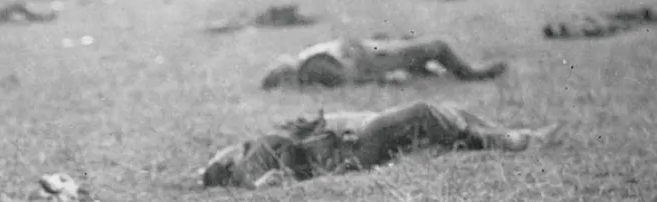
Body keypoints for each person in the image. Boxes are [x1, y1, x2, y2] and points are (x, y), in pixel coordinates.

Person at [201, 102, 563, 189]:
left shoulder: (252, 151)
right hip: (351, 150)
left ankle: (514, 133)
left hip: (351, 136)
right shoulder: (250, 163)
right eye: (221, 158)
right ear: (226, 166)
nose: (224, 150)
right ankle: (510, 142)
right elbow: (268, 182)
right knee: (422, 112)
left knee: (443, 110)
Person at [260, 34, 509, 90]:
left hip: (370, 53)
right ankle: (471, 74)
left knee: (421, 51)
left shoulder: (308, 60)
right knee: (437, 47)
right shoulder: (311, 64)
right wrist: (382, 79)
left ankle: (439, 74)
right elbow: (348, 78)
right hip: (371, 59)